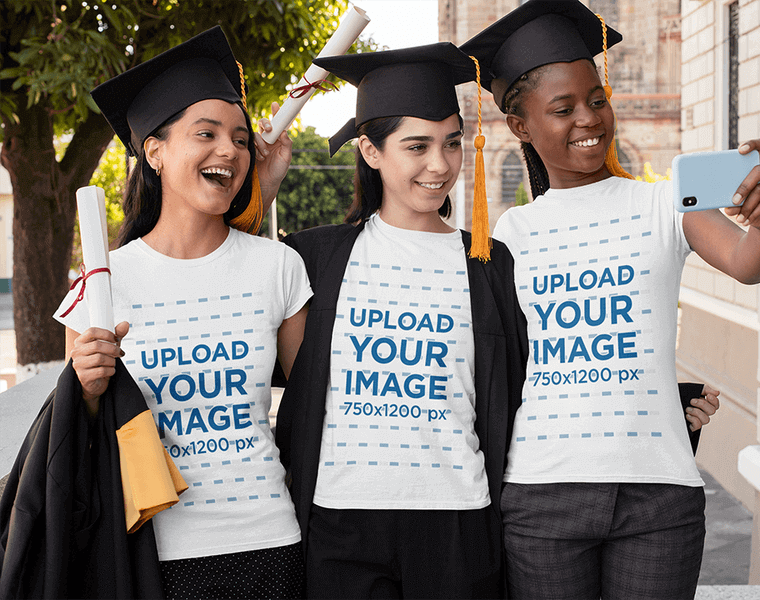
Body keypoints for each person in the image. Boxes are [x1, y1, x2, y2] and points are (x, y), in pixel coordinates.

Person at [461, 1, 760, 598]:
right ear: (521, 127)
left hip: (656, 496)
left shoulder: (664, 204)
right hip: (541, 495)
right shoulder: (509, 235)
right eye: (562, 109)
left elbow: (746, 264)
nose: (588, 118)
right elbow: (500, 364)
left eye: (596, 99)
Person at [54, 26, 311, 600]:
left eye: (242, 139)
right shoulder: (102, 283)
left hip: (268, 541)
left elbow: (313, 401)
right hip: (150, 549)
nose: (230, 150)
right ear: (155, 150)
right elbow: (76, 427)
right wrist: (87, 386)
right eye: (207, 134)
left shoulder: (278, 267)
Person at [275, 42, 528, 599]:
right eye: (417, 146)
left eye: (452, 143)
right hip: (342, 516)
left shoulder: (488, 264)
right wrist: (265, 186)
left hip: (457, 518)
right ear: (370, 150)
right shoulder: (313, 258)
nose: (440, 165)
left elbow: (524, 386)